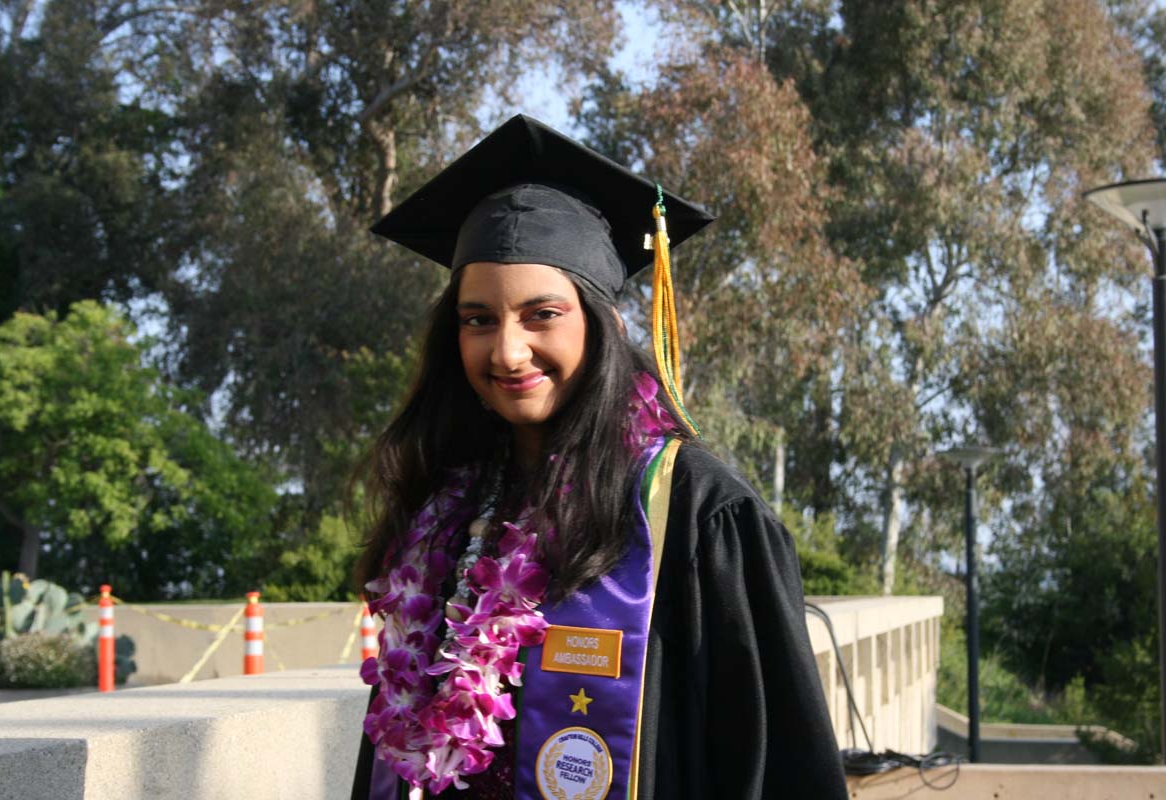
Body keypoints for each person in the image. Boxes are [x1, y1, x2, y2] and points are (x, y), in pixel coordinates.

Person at [350, 115, 848, 800]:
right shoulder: (444, 510)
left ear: (604, 322)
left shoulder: (698, 512)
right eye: (478, 319)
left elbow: (776, 764)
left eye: (541, 314)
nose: (507, 351)